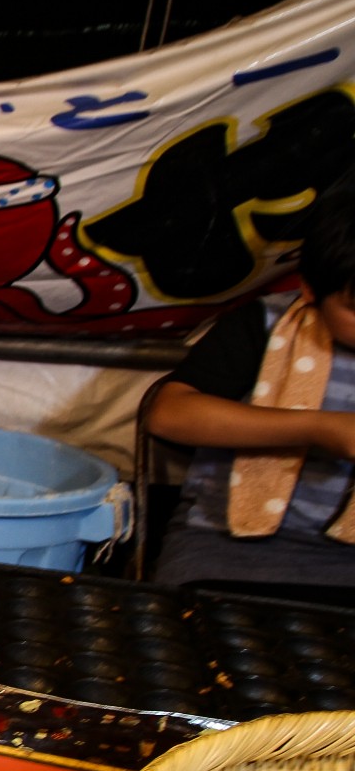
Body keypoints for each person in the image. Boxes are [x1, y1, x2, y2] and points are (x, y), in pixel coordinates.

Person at [147, 166, 355, 600]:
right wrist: (319, 428)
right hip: (229, 553)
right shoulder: (266, 325)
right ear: (310, 290)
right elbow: (168, 415)